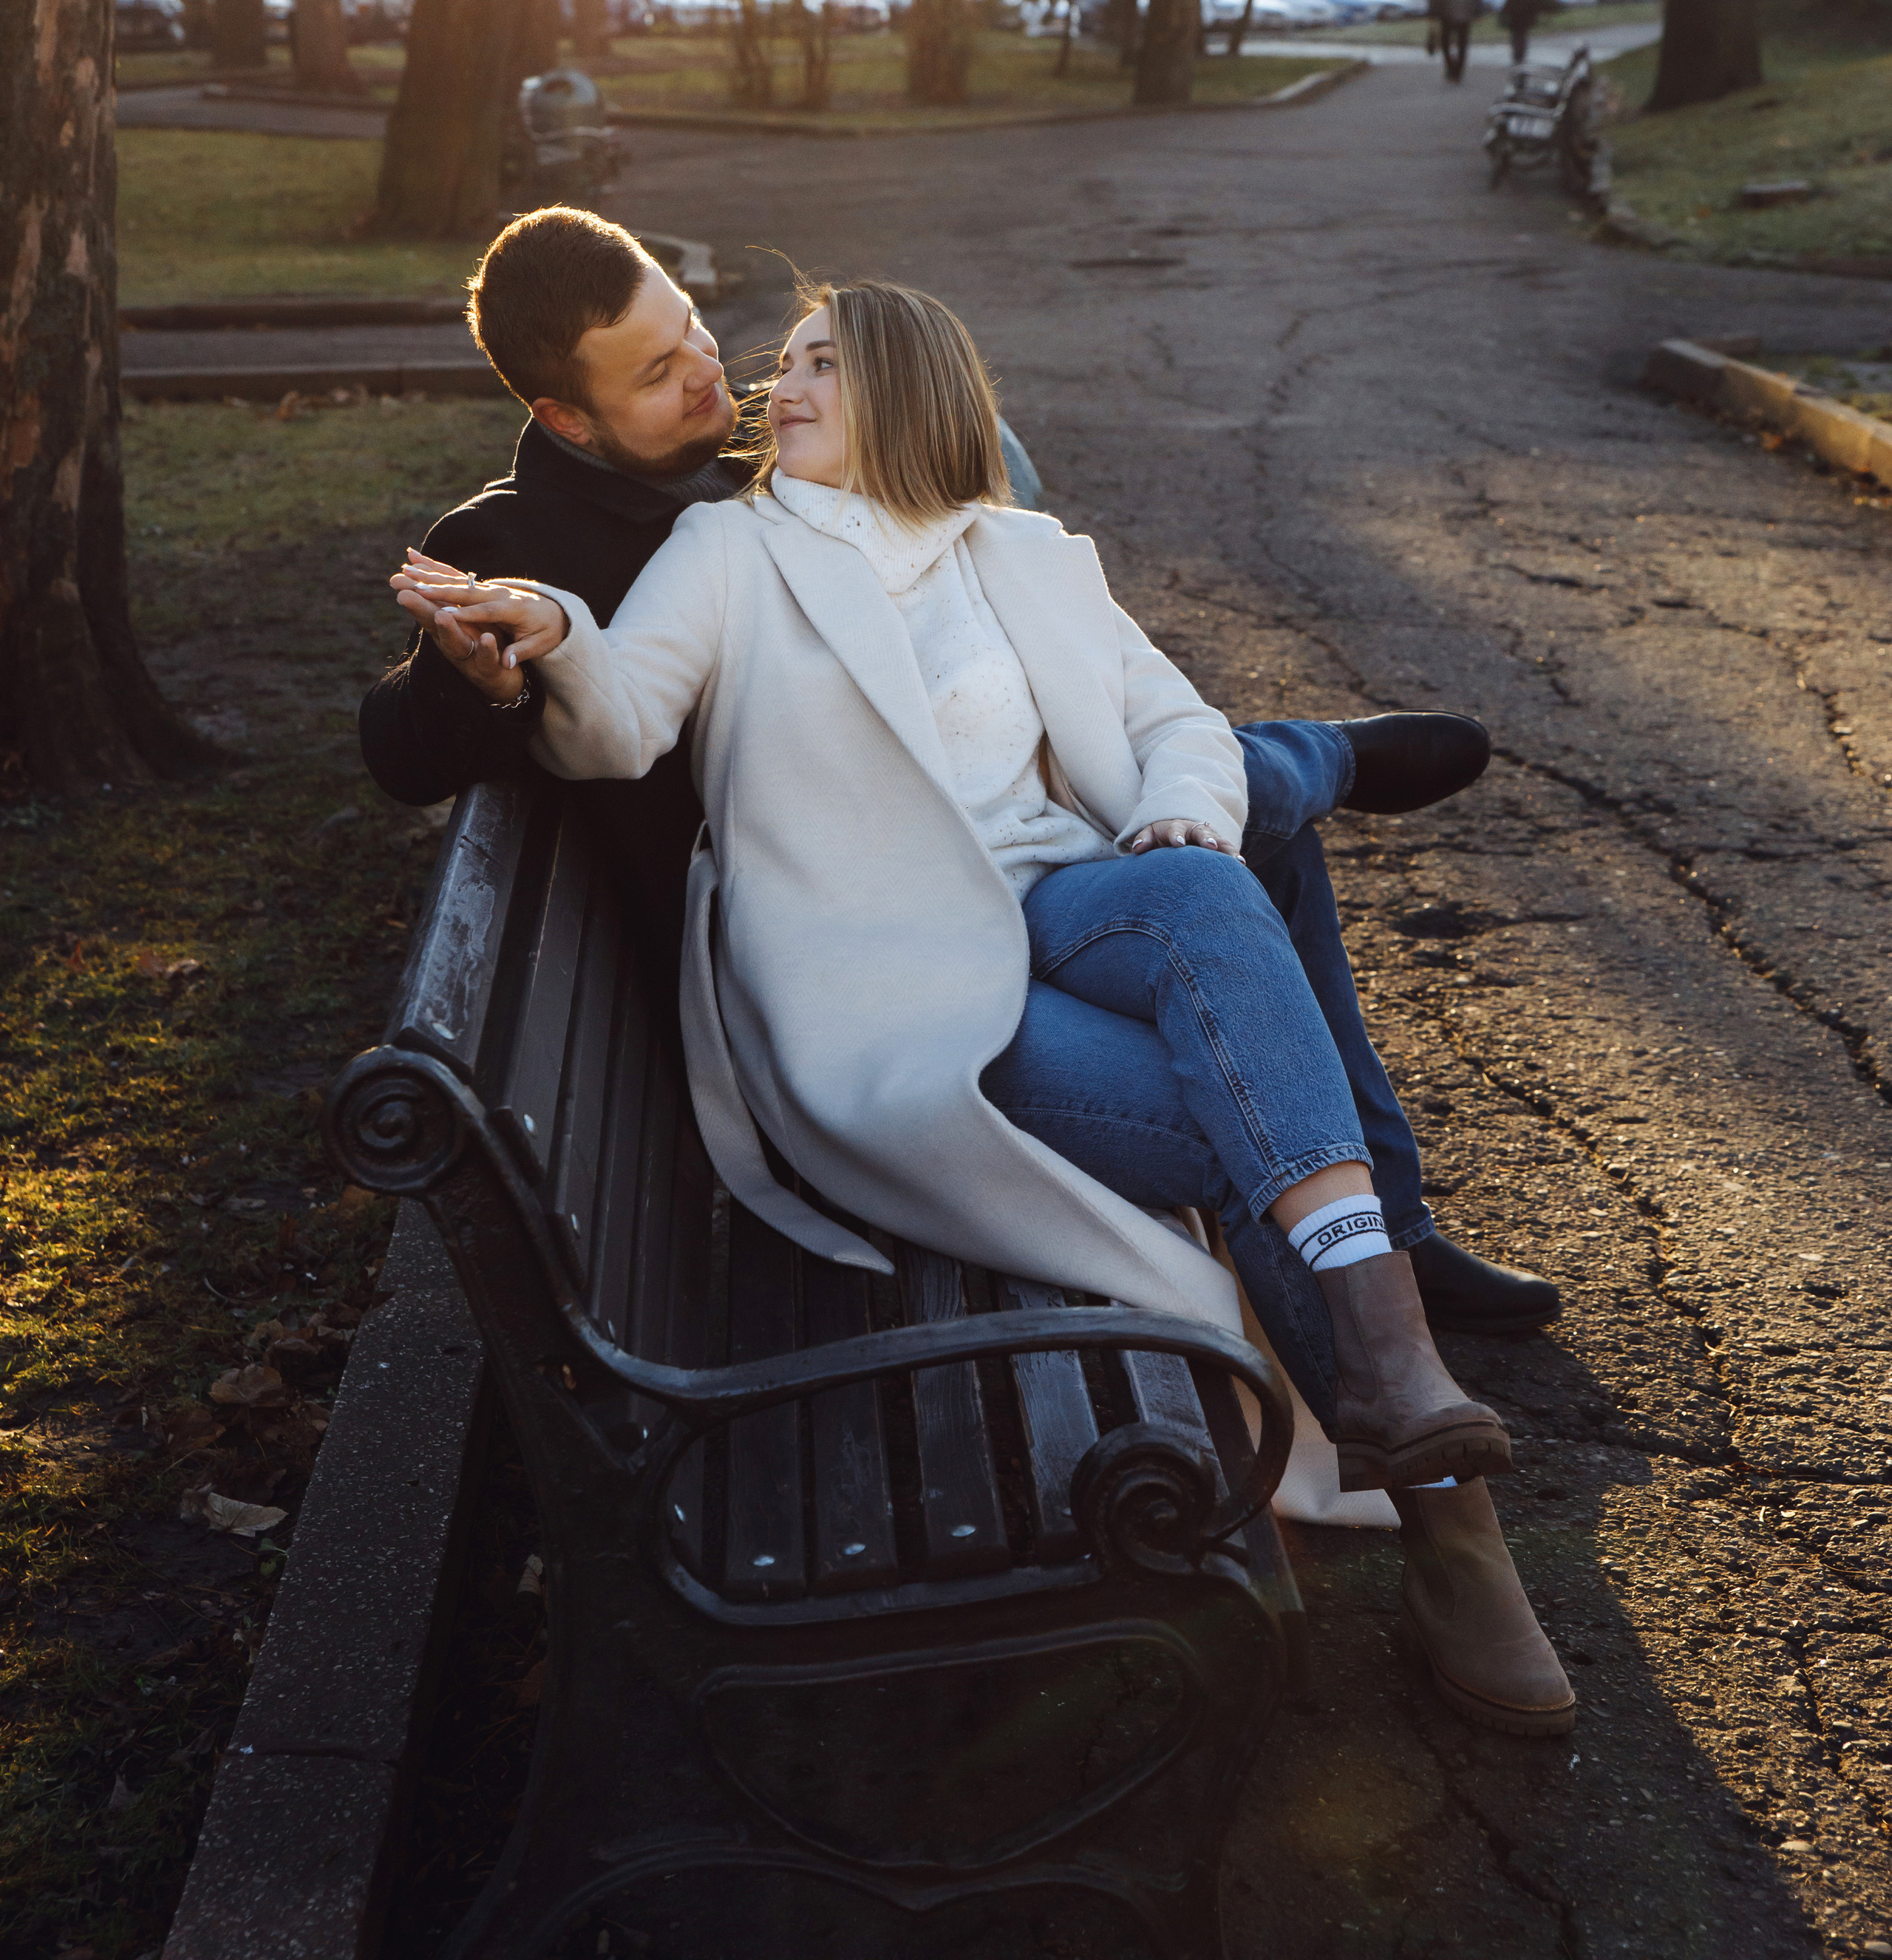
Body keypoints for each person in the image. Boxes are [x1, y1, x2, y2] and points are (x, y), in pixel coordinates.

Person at [394, 270, 1576, 1739]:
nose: (780, 386)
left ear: (901, 388)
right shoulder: (728, 550)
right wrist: (555, 633)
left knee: (1213, 888)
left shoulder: (1018, 550)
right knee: (1246, 1124)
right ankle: (1448, 1510)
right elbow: (620, 722)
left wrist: (1192, 806)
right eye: (787, 363)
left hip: (1076, 909)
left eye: (819, 363)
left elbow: (1166, 723)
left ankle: (1396, 1387)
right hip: (908, 997)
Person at [361, 209, 1556, 1339]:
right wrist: (503, 668)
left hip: (968, 831)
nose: (712, 373)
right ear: (574, 420)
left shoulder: (734, 461)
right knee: (1242, 852)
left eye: (696, 328)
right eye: (661, 369)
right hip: (842, 939)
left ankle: (1389, 1232)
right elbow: (411, 746)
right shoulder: (521, 540)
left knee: (1224, 844)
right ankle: (1314, 759)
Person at [1500, 0, 1545, 65]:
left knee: (1519, 39)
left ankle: (1519, 55)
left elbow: (1506, 9)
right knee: (1518, 39)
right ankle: (1518, 55)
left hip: (1519, 23)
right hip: (1517, 23)